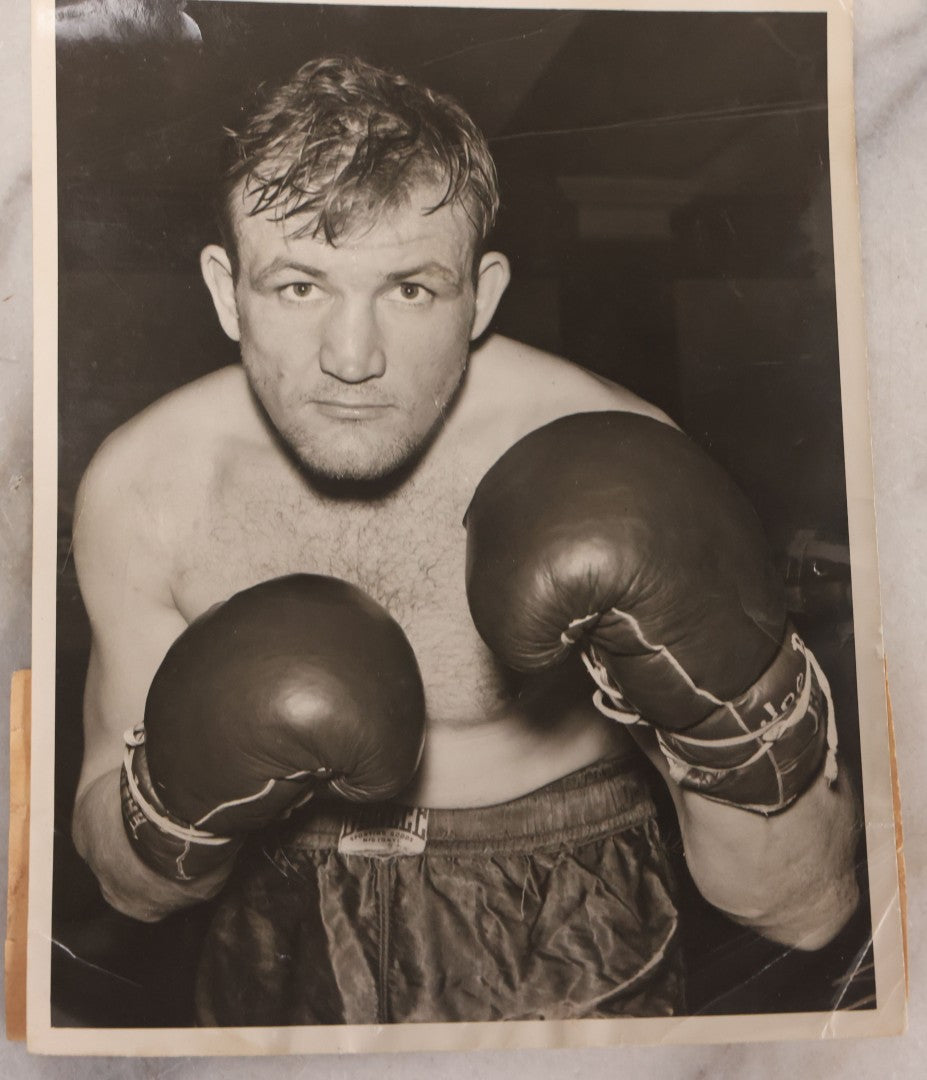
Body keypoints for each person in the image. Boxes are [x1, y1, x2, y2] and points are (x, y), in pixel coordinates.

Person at [71, 56, 860, 1025]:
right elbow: (128, 889)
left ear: (480, 296)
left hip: (568, 923)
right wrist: (174, 807)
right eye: (299, 286)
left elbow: (801, 908)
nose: (351, 360)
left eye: (409, 290)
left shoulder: (620, 453)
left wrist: (727, 726)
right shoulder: (149, 487)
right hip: (273, 928)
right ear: (226, 291)